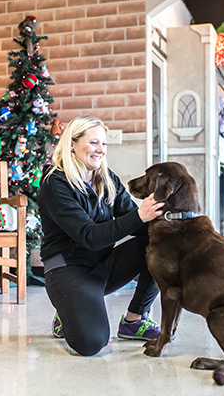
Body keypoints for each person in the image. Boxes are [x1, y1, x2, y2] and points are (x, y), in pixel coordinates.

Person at [38, 115, 165, 356]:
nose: (101, 150)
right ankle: (66, 312)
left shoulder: (106, 179)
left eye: (104, 144)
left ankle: (134, 320)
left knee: (161, 243)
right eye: (94, 142)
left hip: (103, 266)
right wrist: (140, 215)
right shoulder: (55, 183)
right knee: (91, 343)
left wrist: (167, 221)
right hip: (68, 271)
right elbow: (89, 236)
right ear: (72, 144)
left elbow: (137, 224)